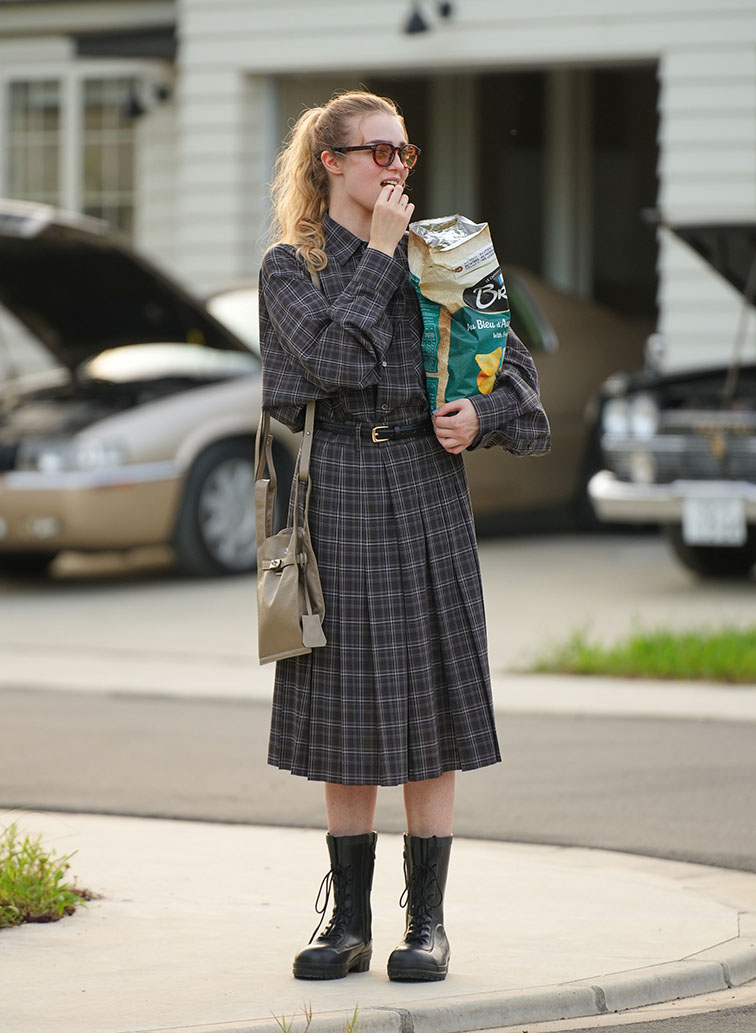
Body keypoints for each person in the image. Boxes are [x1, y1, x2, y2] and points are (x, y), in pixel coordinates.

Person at [258, 90, 550, 983]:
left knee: (429, 710)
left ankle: (426, 926)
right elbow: (336, 363)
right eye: (376, 152)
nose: (394, 167)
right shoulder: (289, 269)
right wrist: (381, 254)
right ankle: (348, 923)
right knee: (347, 713)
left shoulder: (451, 257)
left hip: (426, 489)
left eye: (403, 153)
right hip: (336, 493)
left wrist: (480, 413)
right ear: (330, 164)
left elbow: (527, 396)